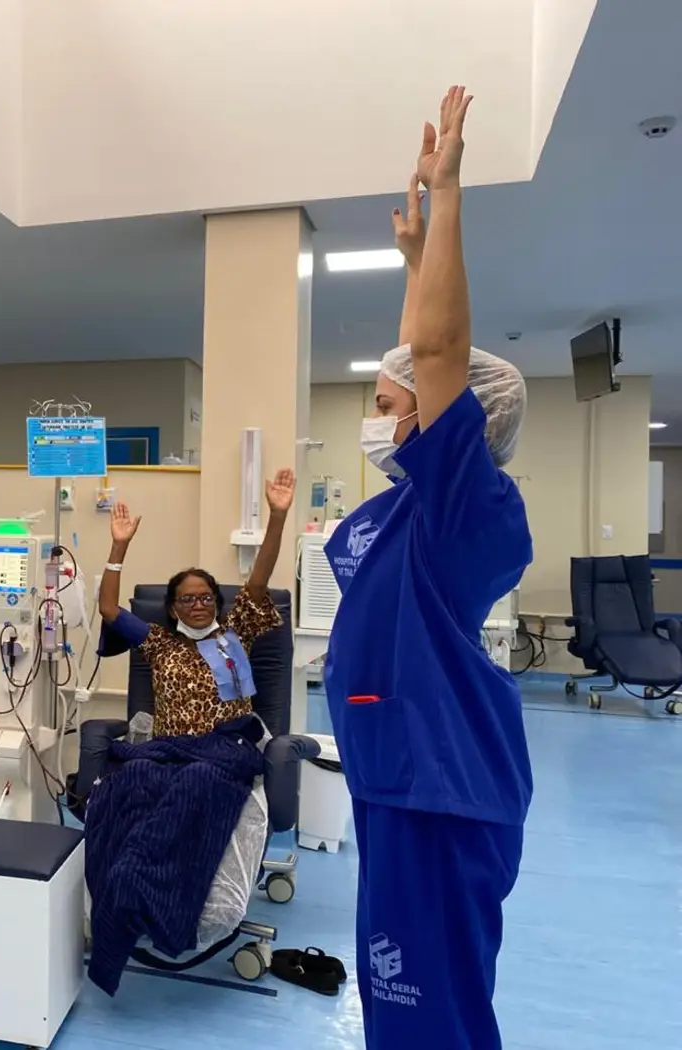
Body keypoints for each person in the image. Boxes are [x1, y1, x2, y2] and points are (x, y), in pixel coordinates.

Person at [323, 86, 532, 1050]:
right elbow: (420, 358)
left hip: (439, 795)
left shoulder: (462, 511)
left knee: (428, 1019)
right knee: (398, 1003)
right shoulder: (412, 505)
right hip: (397, 784)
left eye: (384, 405)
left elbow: (438, 354)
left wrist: (447, 197)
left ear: (452, 422)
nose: (376, 419)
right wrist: (414, 264)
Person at [97, 468, 295, 737]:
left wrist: (278, 516)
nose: (198, 605)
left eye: (205, 598)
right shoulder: (158, 643)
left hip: (228, 750)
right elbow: (108, 608)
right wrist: (119, 546)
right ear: (172, 608)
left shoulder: (236, 634)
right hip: (171, 751)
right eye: (187, 599)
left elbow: (258, 583)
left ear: (216, 603)